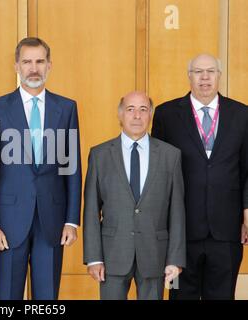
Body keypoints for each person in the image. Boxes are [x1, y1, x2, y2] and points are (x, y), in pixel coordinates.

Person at [0, 37, 82, 300]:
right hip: (7, 223)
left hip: (53, 221)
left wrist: (71, 220)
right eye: (27, 62)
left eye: (39, 61)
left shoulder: (67, 108)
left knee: (47, 298)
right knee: (7, 298)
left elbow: (71, 167)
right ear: (16, 66)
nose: (33, 68)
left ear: (49, 66)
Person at [152, 53, 248, 300]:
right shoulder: (166, 114)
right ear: (189, 76)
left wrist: (247, 212)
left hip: (227, 231)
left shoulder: (242, 114)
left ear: (219, 76)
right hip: (180, 232)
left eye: (210, 71)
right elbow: (158, 174)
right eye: (198, 72)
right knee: (178, 296)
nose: (204, 77)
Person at [83, 91, 186, 300]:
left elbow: (177, 211)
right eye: (130, 109)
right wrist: (94, 258)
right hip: (112, 255)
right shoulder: (100, 155)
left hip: (155, 255)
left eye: (143, 110)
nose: (137, 116)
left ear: (150, 115)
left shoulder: (170, 155)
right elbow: (91, 209)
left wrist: (175, 259)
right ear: (120, 115)